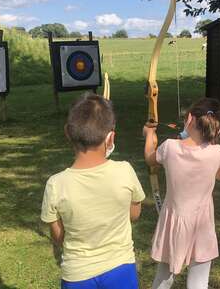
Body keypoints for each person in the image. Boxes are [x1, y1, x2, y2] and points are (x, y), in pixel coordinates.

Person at [41, 93, 146, 289]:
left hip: (77, 274)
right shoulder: (125, 171)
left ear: (67, 133)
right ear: (111, 137)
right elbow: (134, 214)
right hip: (121, 268)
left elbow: (58, 236)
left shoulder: (56, 184)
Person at [143, 98, 220, 289]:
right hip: (202, 225)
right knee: (198, 283)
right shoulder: (217, 152)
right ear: (216, 128)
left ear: (189, 118)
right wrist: (211, 141)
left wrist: (149, 133)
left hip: (174, 222)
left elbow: (150, 159)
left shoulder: (170, 147)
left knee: (164, 278)